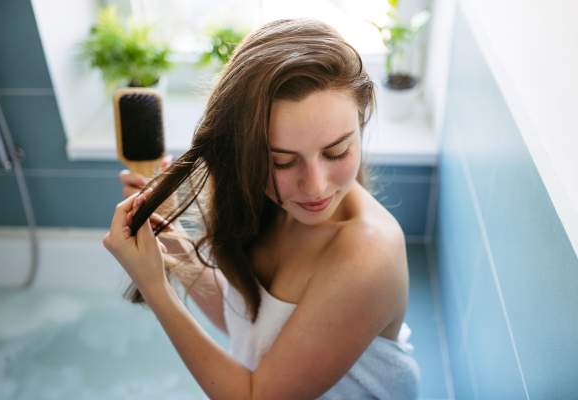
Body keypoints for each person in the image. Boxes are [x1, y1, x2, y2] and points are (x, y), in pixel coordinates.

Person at [104, 18, 420, 400]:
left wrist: (154, 285)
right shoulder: (262, 203)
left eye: (337, 151)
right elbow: (251, 324)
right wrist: (170, 241)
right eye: (282, 161)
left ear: (362, 121)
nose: (316, 186)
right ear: (245, 154)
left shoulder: (369, 255)